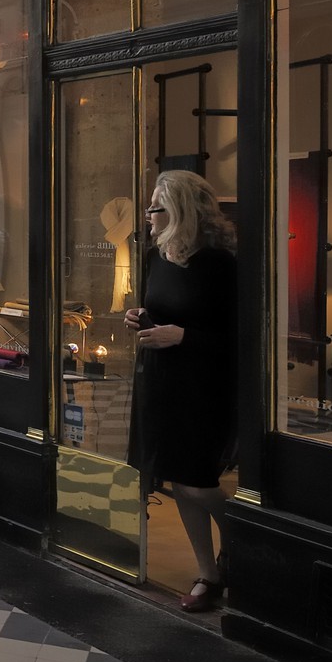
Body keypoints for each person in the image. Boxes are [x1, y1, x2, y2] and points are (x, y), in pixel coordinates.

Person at [125, 170, 238, 613]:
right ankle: (209, 575)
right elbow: (163, 312)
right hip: (160, 382)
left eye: (155, 207)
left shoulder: (220, 265)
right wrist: (142, 317)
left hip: (203, 387)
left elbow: (240, 341)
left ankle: (246, 543)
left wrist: (183, 337)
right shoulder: (158, 256)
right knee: (178, 482)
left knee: (197, 485)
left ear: (180, 211)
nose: (148, 215)